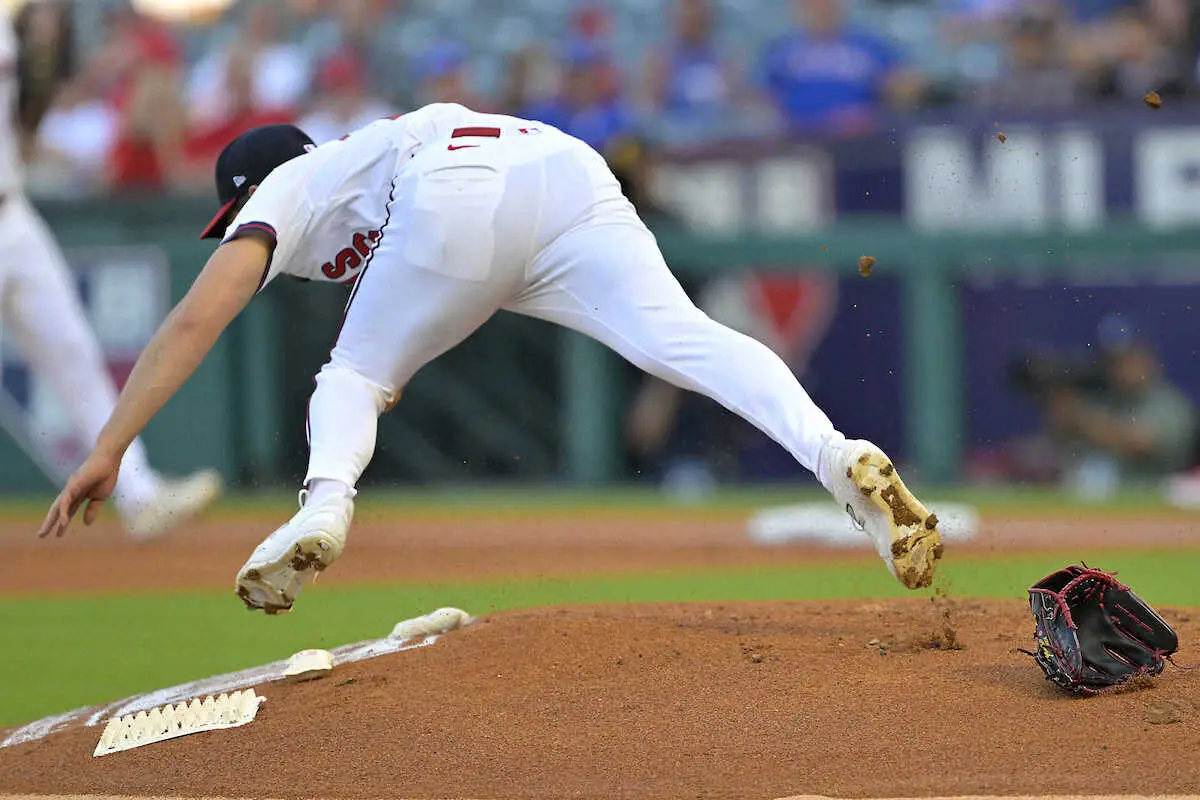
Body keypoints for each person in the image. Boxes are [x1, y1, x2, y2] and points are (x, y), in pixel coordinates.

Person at [37, 103, 942, 611]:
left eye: (227, 220)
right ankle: (835, 457)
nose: (229, 232)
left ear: (244, 198)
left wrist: (111, 445)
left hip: (456, 196)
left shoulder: (285, 187)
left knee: (348, 378)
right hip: (560, 168)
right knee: (687, 343)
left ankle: (319, 512)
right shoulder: (357, 165)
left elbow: (194, 321)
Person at [2, 6, 220, 536]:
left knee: (72, 349)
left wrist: (44, 54)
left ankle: (139, 494)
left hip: (11, 211)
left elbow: (25, 118)